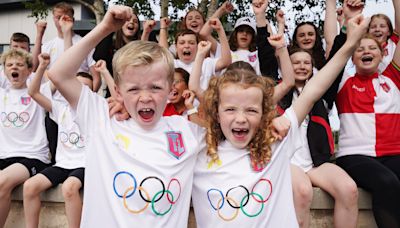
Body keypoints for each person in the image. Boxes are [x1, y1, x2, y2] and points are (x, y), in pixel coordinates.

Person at [191, 14, 370, 227]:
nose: (241, 119)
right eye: (230, 109)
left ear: (265, 113)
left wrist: (350, 44)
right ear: (216, 112)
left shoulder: (275, 144)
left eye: (251, 110)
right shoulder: (198, 147)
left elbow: (313, 91)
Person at [46, 6, 206, 227]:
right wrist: (105, 28)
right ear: (118, 92)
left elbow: (231, 122)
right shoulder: (101, 119)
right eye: (133, 89)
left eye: (156, 87)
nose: (145, 97)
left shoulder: (187, 131)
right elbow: (59, 74)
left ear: (171, 90)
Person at [324, 0, 400, 226]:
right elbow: (332, 43)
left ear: (383, 53)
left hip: (393, 153)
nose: (366, 51)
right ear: (352, 56)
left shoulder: (393, 77)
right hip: (356, 155)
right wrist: (347, 18)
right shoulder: (344, 79)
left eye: (372, 48)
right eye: (360, 49)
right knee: (387, 182)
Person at [23, 53, 91, 228]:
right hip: (62, 164)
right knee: (30, 186)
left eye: (86, 89)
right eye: (78, 87)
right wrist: (42, 66)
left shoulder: (96, 111)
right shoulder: (61, 109)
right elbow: (33, 92)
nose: (80, 93)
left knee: (69, 188)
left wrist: (104, 73)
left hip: (86, 165)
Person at [0, 49, 51, 227]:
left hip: (32, 156)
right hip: (5, 155)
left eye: (20, 65)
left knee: (2, 182)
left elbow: (60, 78)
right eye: (10, 65)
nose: (14, 67)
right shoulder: (1, 95)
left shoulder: (39, 92)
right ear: (4, 71)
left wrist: (43, 66)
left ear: (29, 71)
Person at [39, 2, 100, 91]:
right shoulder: (46, 46)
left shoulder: (85, 42)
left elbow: (96, 78)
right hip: (55, 99)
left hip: (78, 95)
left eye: (66, 17)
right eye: (58, 17)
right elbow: (43, 74)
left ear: (73, 20)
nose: (61, 21)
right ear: (53, 19)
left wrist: (89, 99)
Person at [159, 17, 231, 92]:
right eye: (182, 43)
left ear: (198, 46)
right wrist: (163, 28)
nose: (186, 46)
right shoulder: (172, 65)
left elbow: (226, 62)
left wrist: (220, 30)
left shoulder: (207, 63)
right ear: (176, 47)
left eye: (191, 43)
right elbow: (163, 53)